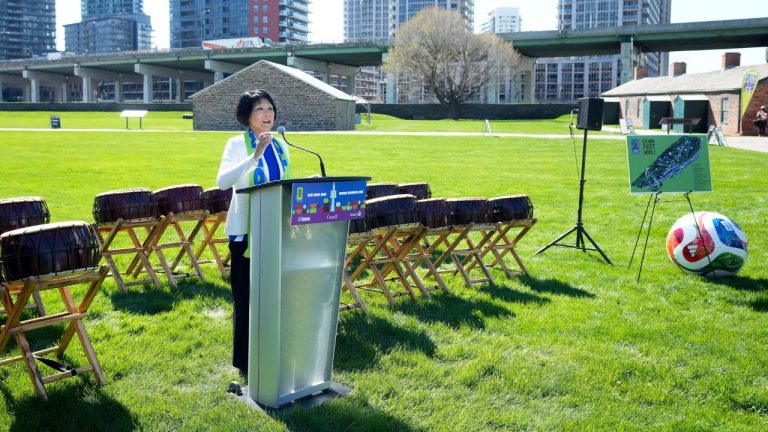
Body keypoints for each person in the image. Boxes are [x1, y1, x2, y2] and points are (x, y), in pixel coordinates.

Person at [217, 90, 291, 376]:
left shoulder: (281, 146)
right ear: (247, 115)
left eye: (270, 108)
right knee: (246, 297)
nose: (267, 114)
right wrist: (254, 156)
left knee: (274, 296)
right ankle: (245, 362)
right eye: (260, 109)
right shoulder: (236, 144)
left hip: (275, 230)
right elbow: (223, 181)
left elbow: (281, 183)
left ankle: (272, 352)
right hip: (246, 235)